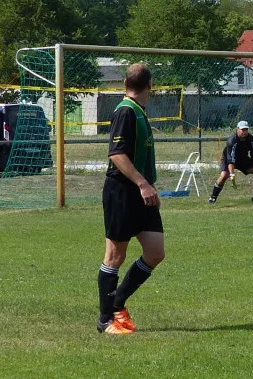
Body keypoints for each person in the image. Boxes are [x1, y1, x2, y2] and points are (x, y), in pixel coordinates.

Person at [98, 63, 165, 334]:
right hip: (123, 192)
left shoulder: (136, 110)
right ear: (150, 86)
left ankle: (117, 303)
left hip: (142, 192)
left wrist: (146, 186)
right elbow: (116, 154)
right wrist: (142, 184)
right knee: (115, 255)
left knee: (155, 252)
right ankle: (106, 320)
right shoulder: (126, 111)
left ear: (125, 83)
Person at [208, 120, 253, 204]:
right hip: (228, 159)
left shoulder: (251, 140)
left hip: (243, 159)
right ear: (237, 129)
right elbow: (230, 159)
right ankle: (213, 198)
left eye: (246, 129)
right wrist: (232, 174)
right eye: (242, 130)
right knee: (224, 175)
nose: (244, 132)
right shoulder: (232, 140)